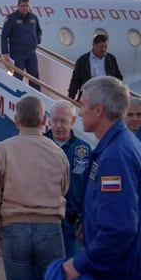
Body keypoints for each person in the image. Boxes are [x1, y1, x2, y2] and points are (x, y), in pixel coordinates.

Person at [0, 95, 69, 280]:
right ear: (44, 121)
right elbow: (64, 187)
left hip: (14, 230)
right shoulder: (58, 152)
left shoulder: (2, 150)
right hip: (50, 229)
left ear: (16, 120)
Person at [62, 76, 141, 280]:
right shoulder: (119, 145)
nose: (79, 113)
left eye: (83, 105)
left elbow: (120, 228)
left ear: (98, 111)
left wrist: (80, 262)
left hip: (119, 276)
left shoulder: (115, 157)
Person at [45, 100, 91, 258]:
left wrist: (85, 220)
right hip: (44, 223)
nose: (58, 125)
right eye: (54, 120)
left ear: (72, 121)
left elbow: (89, 189)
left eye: (63, 121)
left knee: (70, 271)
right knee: (47, 273)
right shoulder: (39, 146)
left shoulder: (83, 150)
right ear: (48, 119)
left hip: (71, 224)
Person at [1, 0, 43, 90]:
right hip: (17, 53)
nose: (25, 8)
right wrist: (5, 52)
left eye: (27, 6)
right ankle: (15, 95)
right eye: (22, 6)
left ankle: (36, 98)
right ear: (18, 6)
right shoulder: (11, 18)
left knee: (34, 77)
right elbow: (4, 36)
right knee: (18, 76)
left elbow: (38, 32)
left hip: (31, 53)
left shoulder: (33, 18)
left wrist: (36, 41)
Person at [68, 34, 123, 101]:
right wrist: (70, 99)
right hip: (89, 96)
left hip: (107, 96)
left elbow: (118, 77)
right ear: (94, 45)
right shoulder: (83, 60)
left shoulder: (111, 59)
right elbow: (75, 81)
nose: (103, 49)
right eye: (101, 47)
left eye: (105, 47)